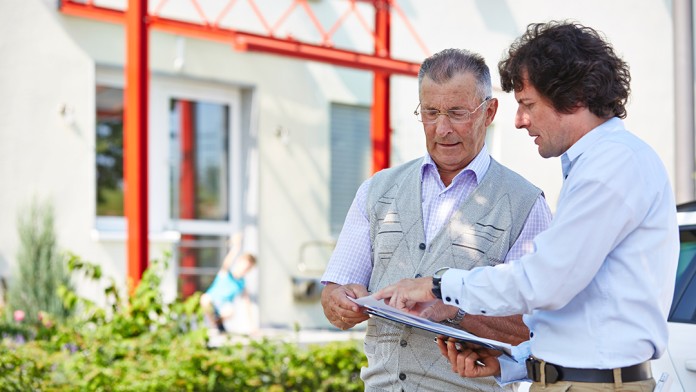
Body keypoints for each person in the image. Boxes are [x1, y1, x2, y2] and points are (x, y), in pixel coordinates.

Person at [375, 21, 680, 392]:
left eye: (527, 105)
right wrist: (512, 364)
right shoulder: (601, 164)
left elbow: (545, 281)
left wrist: (438, 285)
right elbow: (583, 313)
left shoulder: (611, 166)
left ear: (572, 97)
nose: (519, 121)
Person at [321, 48, 552, 391]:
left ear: (489, 112)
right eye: (430, 113)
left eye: (457, 113)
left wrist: (452, 309)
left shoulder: (524, 204)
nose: (442, 128)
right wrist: (341, 302)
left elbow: (535, 328)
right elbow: (333, 294)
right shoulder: (377, 191)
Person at [200, 232, 257, 333]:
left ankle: (217, 325)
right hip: (212, 302)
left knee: (230, 311)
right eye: (244, 266)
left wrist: (252, 325)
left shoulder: (241, 284)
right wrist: (236, 247)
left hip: (222, 308)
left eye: (247, 268)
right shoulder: (226, 274)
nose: (244, 269)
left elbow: (247, 304)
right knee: (205, 299)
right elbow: (227, 262)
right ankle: (212, 324)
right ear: (239, 262)